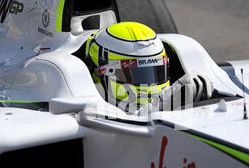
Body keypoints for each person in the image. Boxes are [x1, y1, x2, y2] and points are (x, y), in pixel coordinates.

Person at [84, 22, 214, 113]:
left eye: (156, 72)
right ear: (102, 73)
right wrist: (164, 103)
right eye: (138, 74)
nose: (150, 83)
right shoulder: (86, 110)